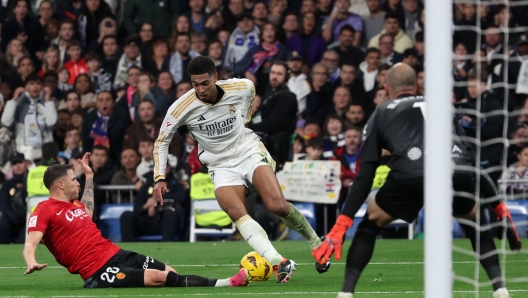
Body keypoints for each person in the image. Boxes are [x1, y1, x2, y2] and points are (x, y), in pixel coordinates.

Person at [312, 63, 516, 298]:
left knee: (371, 222)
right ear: (417, 85)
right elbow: (471, 157)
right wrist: (498, 205)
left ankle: (346, 293)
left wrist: (342, 223)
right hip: (455, 171)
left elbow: (366, 172)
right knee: (473, 219)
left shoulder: (383, 110)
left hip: (410, 173)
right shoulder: (442, 106)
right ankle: (501, 289)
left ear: (386, 88)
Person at [153, 56, 329, 283]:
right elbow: (161, 141)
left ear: (215, 77)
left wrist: (244, 119)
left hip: (247, 151)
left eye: (205, 83)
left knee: (277, 205)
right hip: (219, 164)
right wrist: (159, 177)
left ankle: (316, 243)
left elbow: (250, 92)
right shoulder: (181, 108)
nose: (200, 89)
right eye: (195, 84)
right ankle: (278, 263)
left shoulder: (240, 87)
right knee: (237, 212)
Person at [23, 153, 251, 288]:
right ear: (60, 185)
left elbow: (87, 214)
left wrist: (90, 177)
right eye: (74, 179)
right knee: (160, 278)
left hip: (116, 254)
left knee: (169, 272)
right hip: (97, 271)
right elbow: (30, 243)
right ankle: (226, 283)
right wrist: (31, 260)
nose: (77, 183)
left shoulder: (74, 205)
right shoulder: (44, 209)